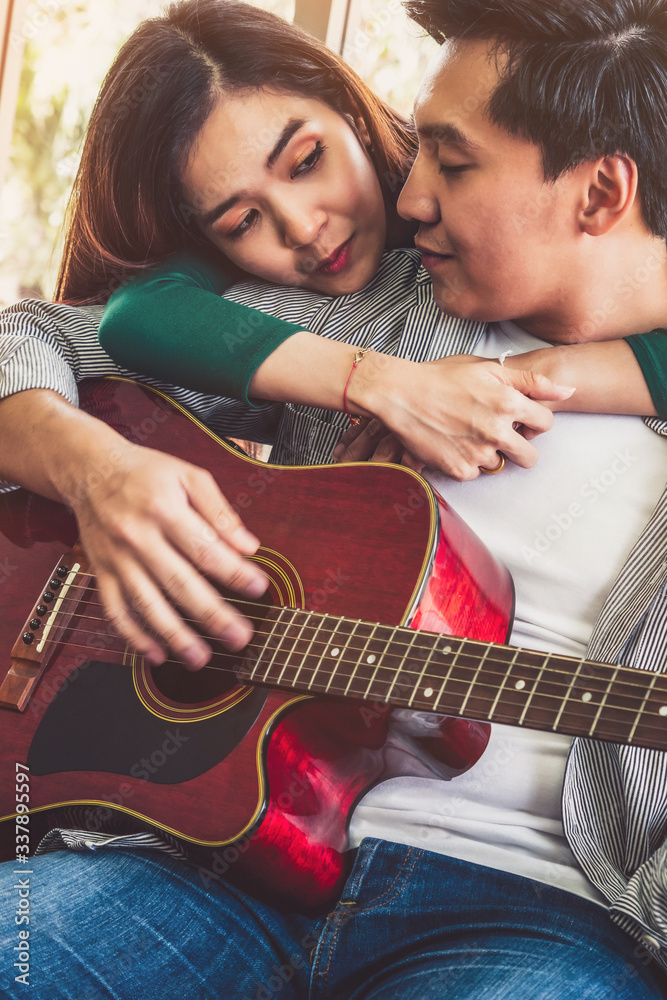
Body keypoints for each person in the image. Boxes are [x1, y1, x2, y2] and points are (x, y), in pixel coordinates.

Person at [2, 1, 667, 998]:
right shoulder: (374, 317)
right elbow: (49, 335)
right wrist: (100, 472)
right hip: (213, 859)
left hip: (534, 919)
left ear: (599, 191)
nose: (407, 198)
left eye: (452, 160)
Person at [0, 0, 660, 673]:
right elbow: (129, 315)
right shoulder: (348, 313)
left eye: (306, 160)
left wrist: (508, 377)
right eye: (239, 224)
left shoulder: (463, 177)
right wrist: (97, 475)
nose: (303, 227)